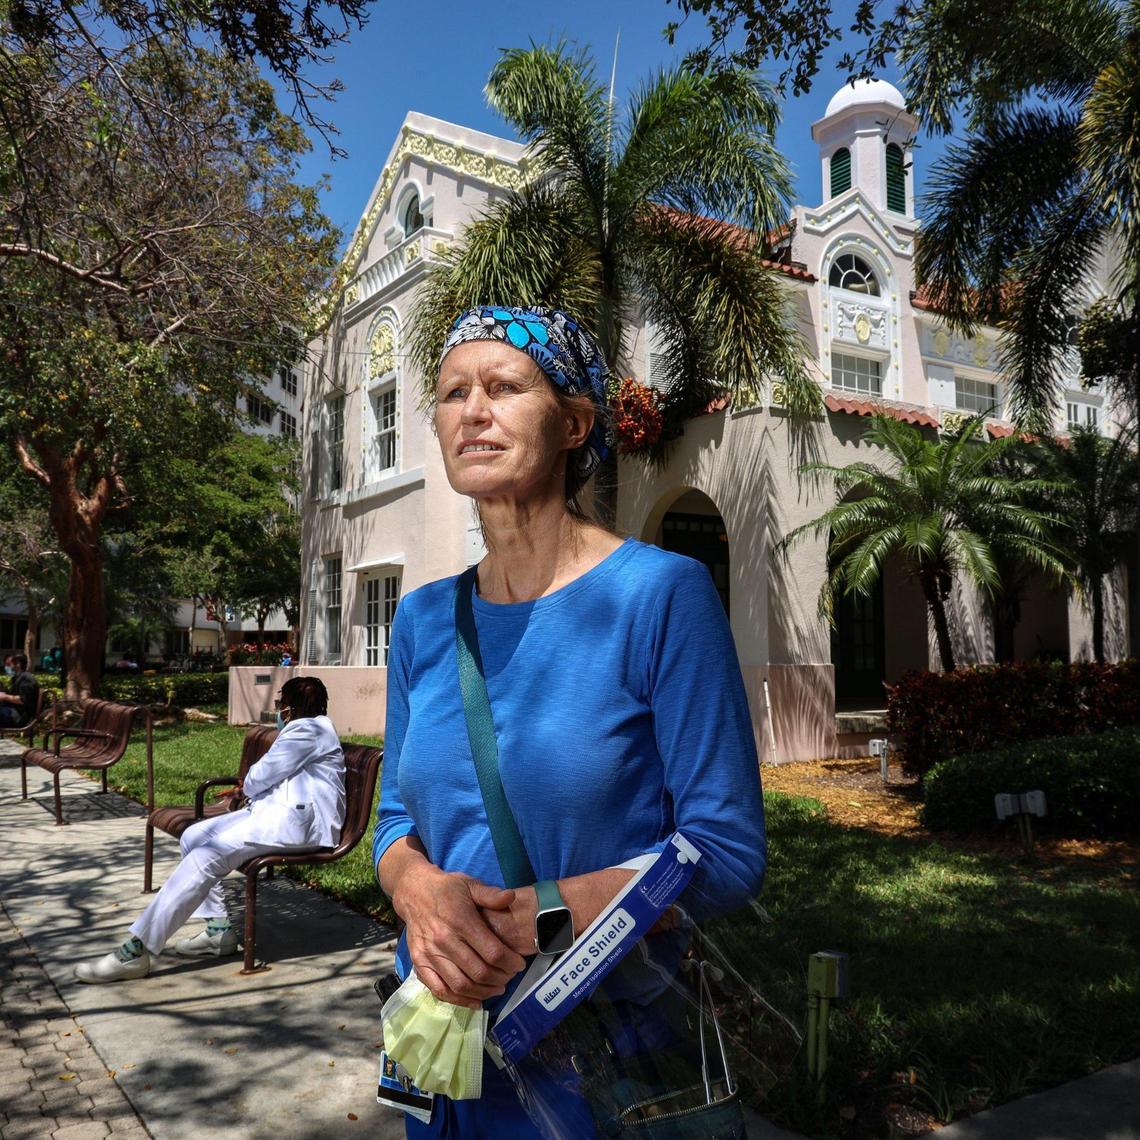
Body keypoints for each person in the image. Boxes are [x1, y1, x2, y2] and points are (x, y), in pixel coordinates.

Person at [373, 305, 766, 1137]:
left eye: (505, 387)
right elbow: (395, 824)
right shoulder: (419, 622)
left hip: (592, 1062)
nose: (472, 411)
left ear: (574, 423)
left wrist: (551, 910)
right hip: (439, 1051)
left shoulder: (661, 596)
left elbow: (727, 854)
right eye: (451, 394)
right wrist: (421, 892)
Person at [75, 675, 345, 983]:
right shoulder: (313, 730)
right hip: (276, 816)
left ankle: (137, 951)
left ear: (291, 709)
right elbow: (268, 779)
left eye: (280, 705)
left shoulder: (305, 730)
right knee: (194, 836)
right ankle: (219, 932)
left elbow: (261, 774)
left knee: (206, 857)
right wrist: (251, 786)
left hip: (297, 827)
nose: (279, 712)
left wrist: (251, 783)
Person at [0, 653, 39, 728]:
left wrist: (4, 697)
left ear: (18, 664)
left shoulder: (27, 679)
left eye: (9, 664)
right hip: (11, 712)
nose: (7, 666)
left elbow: (23, 700)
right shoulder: (17, 678)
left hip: (19, 717)